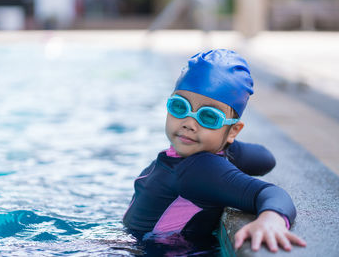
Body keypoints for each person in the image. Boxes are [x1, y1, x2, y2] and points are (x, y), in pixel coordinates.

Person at [123, 49, 306, 252]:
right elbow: (265, 159)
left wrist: (272, 219)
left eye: (209, 117)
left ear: (233, 130)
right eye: (179, 106)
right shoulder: (195, 158)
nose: (189, 123)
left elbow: (270, 192)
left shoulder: (200, 169)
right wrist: (221, 142)